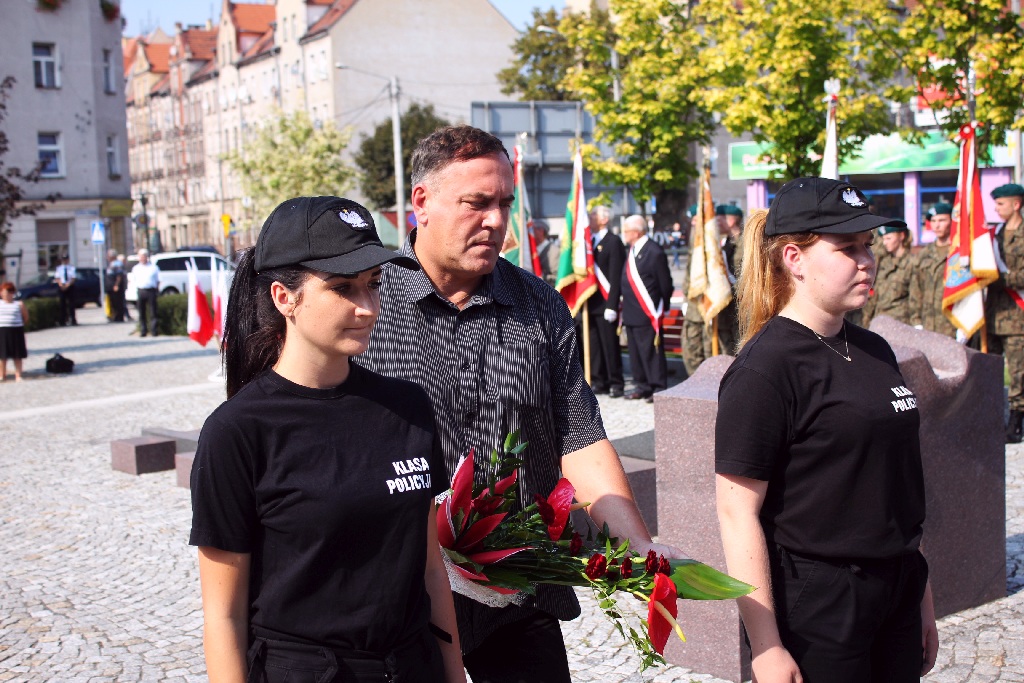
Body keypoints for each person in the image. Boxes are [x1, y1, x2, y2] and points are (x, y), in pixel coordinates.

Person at [358, 125, 679, 683]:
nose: (496, 221)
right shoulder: (369, 305)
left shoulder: (537, 304)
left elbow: (578, 435)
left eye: (504, 203)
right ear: (421, 203)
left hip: (519, 596)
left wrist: (637, 548)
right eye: (476, 203)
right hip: (401, 602)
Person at [189, 196, 464, 683]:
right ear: (283, 297)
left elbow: (428, 570)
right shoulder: (237, 432)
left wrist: (452, 672)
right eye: (342, 288)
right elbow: (223, 616)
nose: (366, 308)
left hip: (412, 664)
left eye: (373, 285)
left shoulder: (407, 407)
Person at [715, 177, 937, 683]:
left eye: (867, 245)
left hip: (896, 589)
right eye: (847, 248)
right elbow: (736, 511)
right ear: (794, 258)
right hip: (821, 604)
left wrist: (921, 594)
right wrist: (766, 644)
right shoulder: (765, 368)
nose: (866, 260)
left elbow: (897, 486)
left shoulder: (875, 349)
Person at [620, 214, 673, 402]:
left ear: (636, 231)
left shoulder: (654, 251)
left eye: (626, 230)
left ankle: (657, 387)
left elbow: (665, 282)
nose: (624, 234)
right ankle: (641, 386)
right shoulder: (633, 250)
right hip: (631, 312)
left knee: (651, 351)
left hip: (647, 311)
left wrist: (663, 305)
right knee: (635, 353)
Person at [986, 183, 1024, 443]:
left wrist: (1000, 278)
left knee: (1019, 371)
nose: (997, 209)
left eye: (1001, 204)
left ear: (1016, 204)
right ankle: (990, 418)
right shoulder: (994, 235)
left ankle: (1016, 421)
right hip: (993, 314)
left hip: (1017, 315)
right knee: (992, 369)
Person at [587, 205, 626, 398]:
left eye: (594, 215)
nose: (590, 218)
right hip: (592, 303)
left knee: (610, 345)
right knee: (594, 347)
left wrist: (612, 305)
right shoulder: (589, 241)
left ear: (604, 219)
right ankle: (599, 380)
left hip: (606, 303)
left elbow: (616, 274)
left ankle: (616, 383)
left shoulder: (613, 241)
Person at [908, 203, 956, 338]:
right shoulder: (924, 253)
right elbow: (915, 289)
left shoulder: (958, 253)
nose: (937, 225)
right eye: (933, 221)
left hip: (951, 325)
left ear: (952, 221)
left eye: (942, 220)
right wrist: (916, 320)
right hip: (927, 324)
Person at [865, 223, 914, 327]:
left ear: (901, 236)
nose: (884, 242)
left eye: (888, 238)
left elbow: (915, 298)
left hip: (900, 322)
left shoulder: (912, 263)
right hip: (879, 319)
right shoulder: (884, 262)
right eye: (883, 239)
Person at [0, 282, 29, 381]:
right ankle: (2, 375)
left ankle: (18, 375)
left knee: (17, 355)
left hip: (16, 330)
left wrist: (18, 324)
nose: (6, 295)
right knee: (2, 355)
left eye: (8, 293)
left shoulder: (19, 304)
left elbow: (25, 317)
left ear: (12, 293)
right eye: (3, 293)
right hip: (2, 331)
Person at [131, 249, 160, 337]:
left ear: (147, 257)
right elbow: (134, 280)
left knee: (153, 311)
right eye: (141, 256)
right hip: (141, 290)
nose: (143, 258)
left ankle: (154, 330)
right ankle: (143, 330)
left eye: (144, 256)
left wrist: (157, 290)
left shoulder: (153, 268)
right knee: (141, 312)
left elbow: (158, 280)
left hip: (151, 290)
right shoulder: (136, 268)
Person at [533, 219, 559, 287]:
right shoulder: (531, 251)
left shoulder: (554, 251)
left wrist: (542, 277)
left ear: (541, 231)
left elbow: (558, 277)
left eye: (533, 230)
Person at [54, 254, 77, 326]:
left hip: (70, 286)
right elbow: (57, 278)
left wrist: (67, 285)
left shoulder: (72, 268)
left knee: (71, 304)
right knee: (62, 304)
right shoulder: (59, 268)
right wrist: (61, 285)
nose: (65, 260)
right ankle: (62, 320)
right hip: (62, 286)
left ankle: (73, 319)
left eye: (66, 259)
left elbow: (73, 278)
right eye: (63, 259)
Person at [106, 251, 127, 323]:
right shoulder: (111, 264)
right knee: (113, 303)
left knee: (118, 302)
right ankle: (114, 316)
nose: (107, 257)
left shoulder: (117, 264)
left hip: (116, 287)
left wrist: (116, 285)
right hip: (110, 287)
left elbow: (119, 275)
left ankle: (119, 317)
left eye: (108, 256)